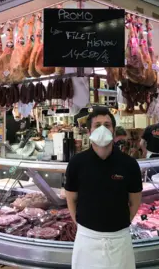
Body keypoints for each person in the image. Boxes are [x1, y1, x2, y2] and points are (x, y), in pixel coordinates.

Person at [65, 107, 142, 269]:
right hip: (87, 239)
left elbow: (135, 201)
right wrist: (80, 223)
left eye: (107, 125)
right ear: (89, 131)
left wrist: (122, 223)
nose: (102, 129)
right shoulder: (76, 163)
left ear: (113, 131)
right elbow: (71, 198)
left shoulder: (129, 164)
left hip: (119, 240)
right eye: (97, 125)